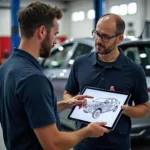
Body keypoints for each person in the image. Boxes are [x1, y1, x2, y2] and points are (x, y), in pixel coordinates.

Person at [0, 2, 109, 150]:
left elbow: (26, 111)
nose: (55, 41)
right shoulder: (33, 78)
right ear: (42, 32)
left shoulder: (8, 66)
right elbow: (53, 143)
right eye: (55, 34)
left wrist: (65, 104)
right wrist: (88, 131)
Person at [63, 13, 149, 150]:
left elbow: (144, 108)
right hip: (83, 143)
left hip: (117, 145)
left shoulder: (134, 71)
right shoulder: (80, 63)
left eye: (105, 37)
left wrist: (125, 110)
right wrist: (74, 101)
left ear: (120, 39)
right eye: (96, 34)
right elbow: (68, 93)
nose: (98, 40)